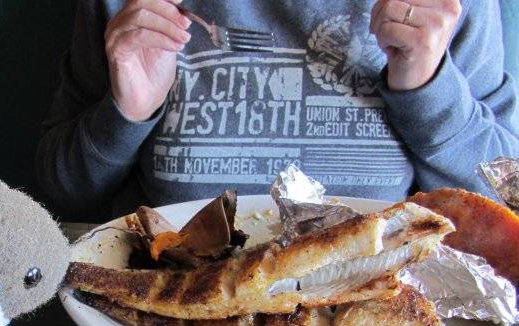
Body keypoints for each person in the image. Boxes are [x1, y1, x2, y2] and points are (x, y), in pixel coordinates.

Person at [35, 0, 519, 218]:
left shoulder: (444, 7)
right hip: (166, 314)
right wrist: (127, 113)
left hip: (371, 325)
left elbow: (505, 199)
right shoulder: (129, 6)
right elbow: (64, 194)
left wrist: (428, 88)